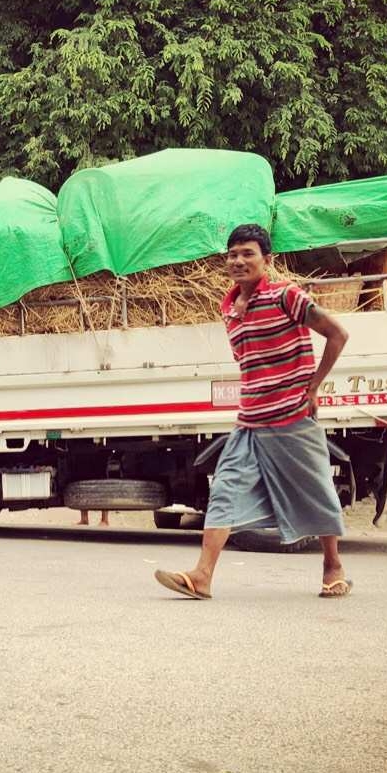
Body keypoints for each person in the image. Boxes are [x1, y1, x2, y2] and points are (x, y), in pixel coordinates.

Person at [154, 223, 353, 600]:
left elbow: (337, 334)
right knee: (224, 491)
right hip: (249, 421)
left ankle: (333, 565)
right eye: (233, 254)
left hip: (292, 419)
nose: (239, 261)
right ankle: (202, 576)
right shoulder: (229, 308)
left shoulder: (286, 296)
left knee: (316, 491)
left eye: (248, 253)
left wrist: (313, 386)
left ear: (267, 259)